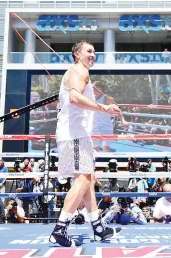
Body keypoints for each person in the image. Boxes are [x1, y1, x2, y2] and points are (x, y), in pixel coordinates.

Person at [49, 40, 121, 247]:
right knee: (82, 181)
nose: (93, 55)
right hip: (73, 136)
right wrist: (103, 108)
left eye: (94, 52)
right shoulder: (79, 71)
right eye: (89, 51)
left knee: (87, 181)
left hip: (72, 134)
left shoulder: (77, 72)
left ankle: (98, 228)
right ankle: (59, 229)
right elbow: (74, 98)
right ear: (76, 54)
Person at [92, 80, 128, 152]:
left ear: (100, 88)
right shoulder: (91, 98)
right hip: (94, 128)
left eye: (94, 87)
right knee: (95, 150)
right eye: (92, 87)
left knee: (106, 149)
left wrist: (123, 120)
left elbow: (117, 109)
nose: (92, 89)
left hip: (106, 127)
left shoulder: (106, 98)